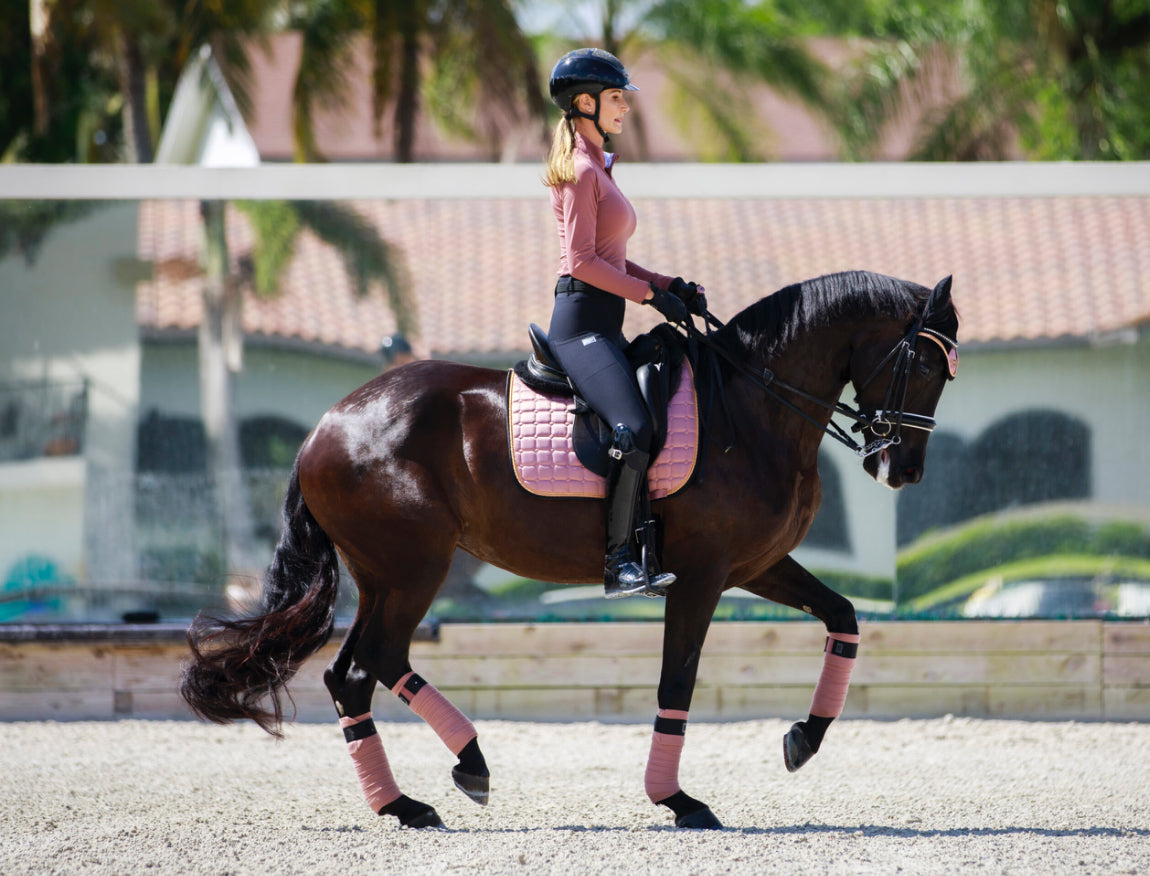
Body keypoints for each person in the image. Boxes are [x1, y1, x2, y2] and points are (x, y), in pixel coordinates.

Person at [542, 48, 705, 599]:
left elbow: (613, 259)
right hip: (580, 325)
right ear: (585, 103)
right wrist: (650, 298)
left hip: (605, 322)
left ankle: (647, 548)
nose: (625, 108)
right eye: (616, 98)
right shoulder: (580, 170)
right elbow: (581, 262)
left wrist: (668, 285)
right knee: (631, 427)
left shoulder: (601, 168)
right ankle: (619, 562)